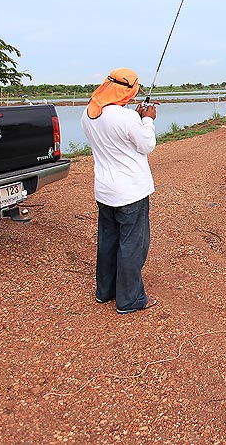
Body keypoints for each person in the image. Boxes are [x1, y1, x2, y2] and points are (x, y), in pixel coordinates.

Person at [81, 67, 159, 314]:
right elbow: (147, 145)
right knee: (132, 245)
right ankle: (130, 299)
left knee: (108, 242)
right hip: (130, 193)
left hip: (105, 191)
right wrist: (147, 119)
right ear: (128, 90)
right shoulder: (126, 118)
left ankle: (105, 292)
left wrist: (136, 118)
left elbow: (116, 136)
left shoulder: (89, 114)